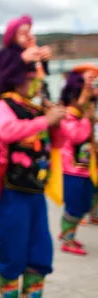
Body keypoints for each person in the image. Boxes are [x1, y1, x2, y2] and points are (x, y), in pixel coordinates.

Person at [0, 16, 66, 298]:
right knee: (13, 251)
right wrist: (45, 120)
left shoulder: (38, 108)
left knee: (41, 251)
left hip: (34, 188)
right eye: (30, 77)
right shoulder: (0, 105)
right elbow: (6, 131)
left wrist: (57, 121)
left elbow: (60, 143)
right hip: (8, 190)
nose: (36, 82)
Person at [52, 66, 98, 256]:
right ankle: (67, 238)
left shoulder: (80, 115)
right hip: (71, 170)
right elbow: (77, 136)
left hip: (85, 168)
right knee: (74, 204)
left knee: (84, 204)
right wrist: (87, 118)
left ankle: (69, 234)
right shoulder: (66, 115)